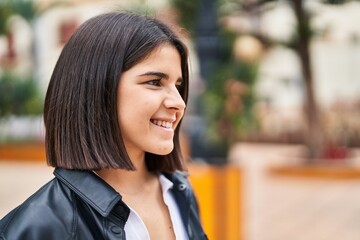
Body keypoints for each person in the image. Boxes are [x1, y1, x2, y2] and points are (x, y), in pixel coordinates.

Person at [0, 12, 207, 240]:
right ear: (97, 87)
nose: (178, 102)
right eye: (155, 82)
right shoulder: (38, 226)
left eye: (177, 85)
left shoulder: (180, 192)